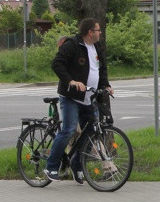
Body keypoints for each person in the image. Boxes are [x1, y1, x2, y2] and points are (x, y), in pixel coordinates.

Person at [45, 18, 113, 184]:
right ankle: (51, 166)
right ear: (90, 32)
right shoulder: (73, 45)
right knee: (68, 130)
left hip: (88, 98)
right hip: (71, 97)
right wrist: (71, 81)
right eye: (98, 30)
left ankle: (77, 164)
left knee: (90, 132)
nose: (100, 33)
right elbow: (57, 64)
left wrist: (106, 85)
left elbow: (101, 68)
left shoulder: (96, 47)